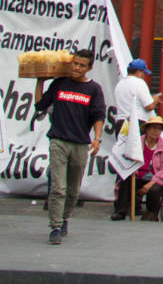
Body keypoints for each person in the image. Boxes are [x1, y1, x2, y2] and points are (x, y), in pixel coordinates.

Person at [33, 48, 106, 245]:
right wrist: (40, 81)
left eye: (82, 65)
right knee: (59, 188)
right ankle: (55, 226)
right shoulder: (59, 84)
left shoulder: (94, 89)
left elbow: (99, 116)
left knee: (73, 190)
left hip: (81, 144)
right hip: (58, 141)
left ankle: (65, 218)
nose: (77, 68)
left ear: (89, 68)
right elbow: (40, 105)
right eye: (75, 63)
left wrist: (97, 139)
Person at [111, 115, 163, 221]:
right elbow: (128, 159)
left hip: (154, 178)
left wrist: (150, 184)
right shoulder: (137, 142)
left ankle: (151, 214)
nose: (156, 131)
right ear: (147, 129)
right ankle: (120, 211)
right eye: (153, 128)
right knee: (125, 179)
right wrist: (132, 170)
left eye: (159, 129)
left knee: (156, 188)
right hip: (137, 175)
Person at [112, 58, 159, 126]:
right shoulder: (139, 82)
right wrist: (155, 99)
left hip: (120, 122)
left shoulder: (119, 84)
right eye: (144, 73)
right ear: (139, 72)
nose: (144, 76)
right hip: (136, 122)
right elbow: (149, 106)